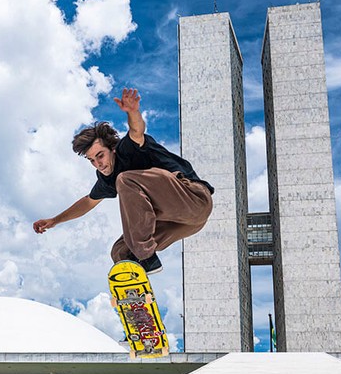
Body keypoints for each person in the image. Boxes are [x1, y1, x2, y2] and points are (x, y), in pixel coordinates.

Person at [32, 87, 213, 274]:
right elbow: (88, 202)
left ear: (113, 149)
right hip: (185, 224)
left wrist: (133, 112)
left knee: (125, 180)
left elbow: (136, 131)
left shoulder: (128, 150)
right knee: (121, 252)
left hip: (195, 200)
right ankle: (135, 295)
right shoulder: (106, 178)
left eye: (100, 156)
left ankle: (147, 258)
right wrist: (54, 220)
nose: (98, 164)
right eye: (92, 160)